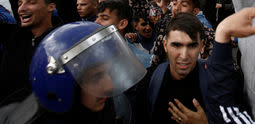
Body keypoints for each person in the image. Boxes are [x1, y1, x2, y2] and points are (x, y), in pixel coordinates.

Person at [0, 21, 147, 123]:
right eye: (96, 77)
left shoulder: (104, 111)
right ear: (62, 83)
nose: (109, 85)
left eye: (108, 72)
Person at [0, 0, 56, 105]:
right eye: (19, 4)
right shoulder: (13, 36)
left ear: (51, 7)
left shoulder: (59, 41)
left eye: (31, 2)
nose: (21, 9)